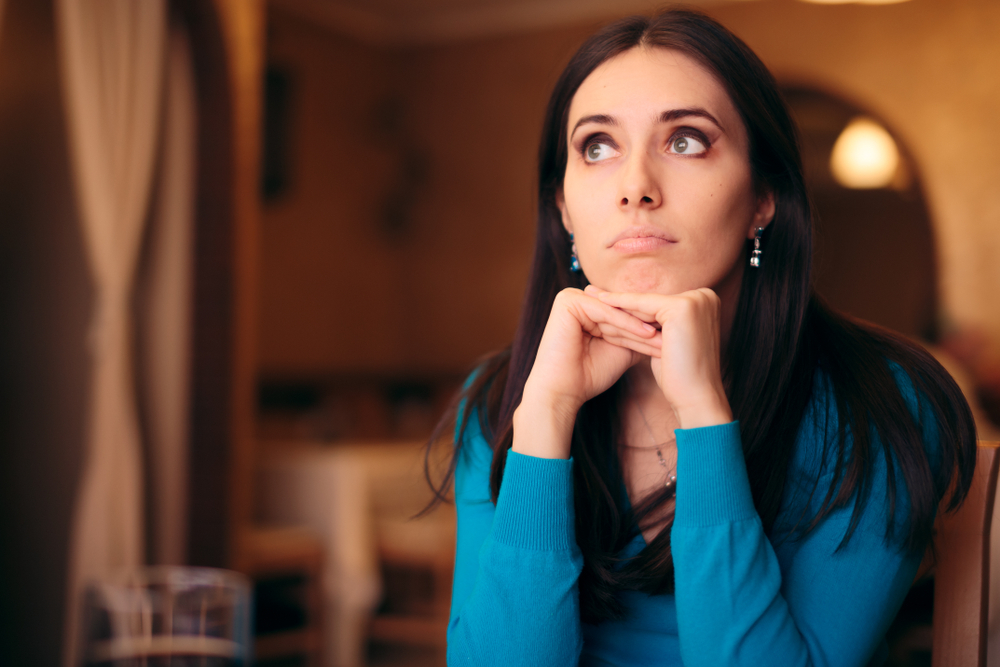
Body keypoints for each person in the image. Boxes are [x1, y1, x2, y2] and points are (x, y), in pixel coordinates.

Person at [427, 9, 978, 667]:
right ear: (564, 208)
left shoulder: (882, 406)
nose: (635, 187)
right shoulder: (496, 403)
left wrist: (704, 417)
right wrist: (545, 418)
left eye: (686, 140)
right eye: (597, 146)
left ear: (763, 196)